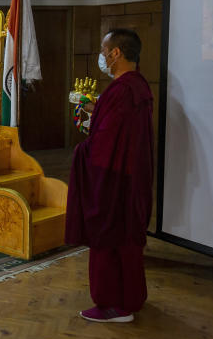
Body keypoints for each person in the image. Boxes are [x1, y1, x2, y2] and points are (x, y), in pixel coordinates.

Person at [66, 29, 154, 323]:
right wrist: (96, 110)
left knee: (110, 237)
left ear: (116, 53)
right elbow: (119, 132)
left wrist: (82, 151)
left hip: (114, 181)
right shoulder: (138, 86)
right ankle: (131, 298)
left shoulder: (120, 92)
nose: (102, 56)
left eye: (104, 51)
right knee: (128, 242)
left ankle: (113, 305)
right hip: (132, 178)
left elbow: (105, 146)